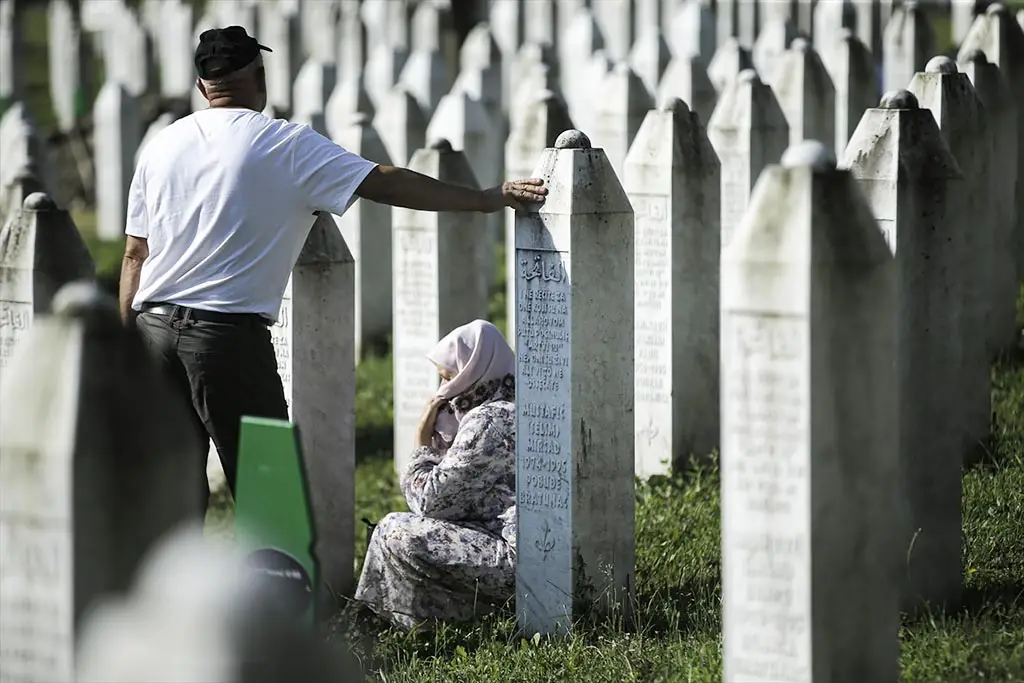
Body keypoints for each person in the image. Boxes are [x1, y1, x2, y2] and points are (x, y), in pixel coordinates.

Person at [118, 27, 546, 505]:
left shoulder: (159, 146)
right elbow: (385, 182)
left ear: (202, 88)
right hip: (224, 342)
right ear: (260, 78)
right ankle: (283, 582)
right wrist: (485, 200)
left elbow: (136, 255)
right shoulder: (284, 144)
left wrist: (120, 352)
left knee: (171, 494)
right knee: (268, 492)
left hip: (149, 334)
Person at [353, 320, 517, 630]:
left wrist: (420, 444)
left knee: (393, 529)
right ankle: (394, 621)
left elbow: (431, 502)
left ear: (474, 373)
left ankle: (378, 624)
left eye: (451, 378)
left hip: (511, 559)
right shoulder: (511, 402)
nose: (444, 391)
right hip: (521, 545)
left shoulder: (488, 422)